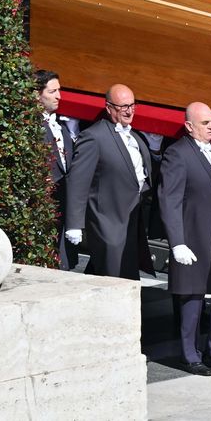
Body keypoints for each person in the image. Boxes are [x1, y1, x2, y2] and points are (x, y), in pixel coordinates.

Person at [158, 102, 211, 377]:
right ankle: (190, 354)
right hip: (195, 236)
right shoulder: (178, 154)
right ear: (190, 126)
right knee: (192, 297)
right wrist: (177, 242)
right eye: (205, 123)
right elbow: (170, 199)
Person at [64, 83, 155, 279]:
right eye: (123, 107)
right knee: (117, 277)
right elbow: (78, 182)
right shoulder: (94, 137)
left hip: (132, 219)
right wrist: (74, 223)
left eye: (132, 105)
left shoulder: (135, 137)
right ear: (109, 108)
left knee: (111, 273)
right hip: (107, 220)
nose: (129, 111)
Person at [35, 69, 76, 270]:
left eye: (59, 90)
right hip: (43, 208)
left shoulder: (60, 126)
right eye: (52, 92)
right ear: (37, 95)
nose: (59, 96)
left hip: (62, 206)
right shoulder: (33, 126)